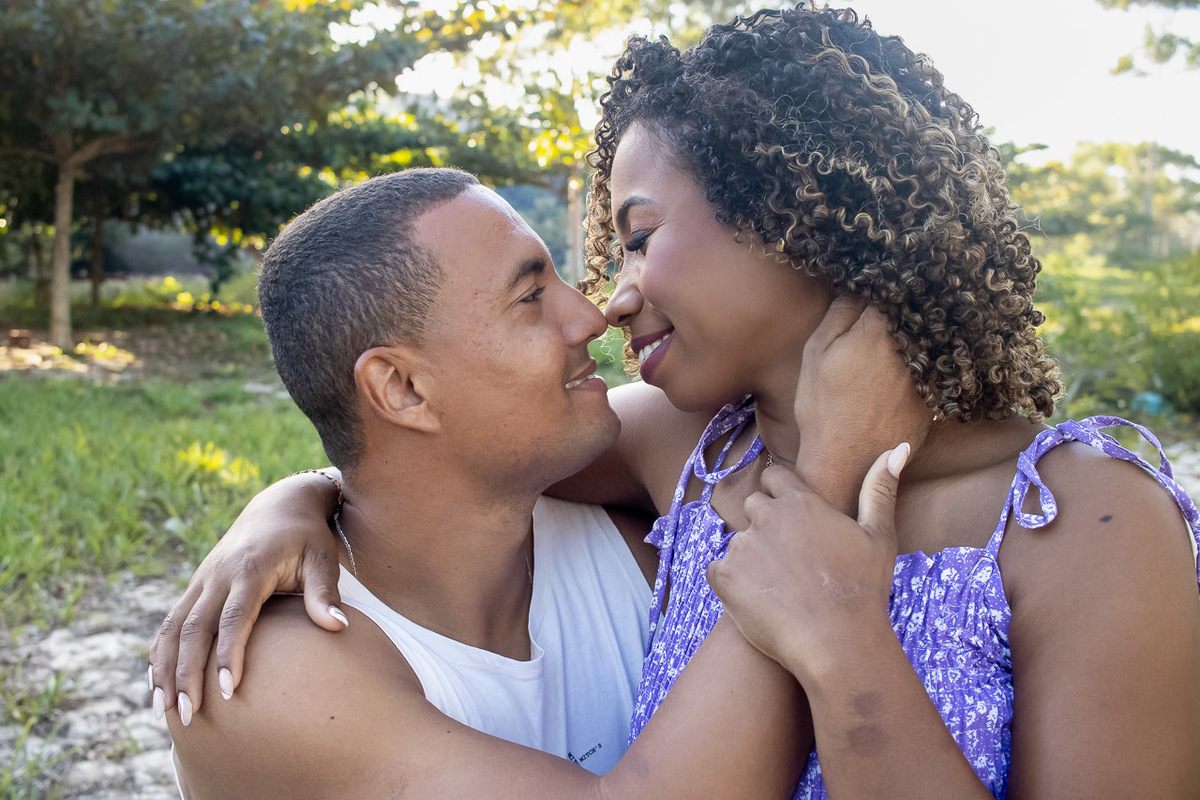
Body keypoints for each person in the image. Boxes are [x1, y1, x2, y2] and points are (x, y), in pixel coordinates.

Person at [153, 5, 1200, 798]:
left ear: (795, 217)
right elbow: (408, 459)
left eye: (639, 236)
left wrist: (841, 638)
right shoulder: (690, 449)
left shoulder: (1081, 520)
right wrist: (284, 507)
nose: (607, 299)